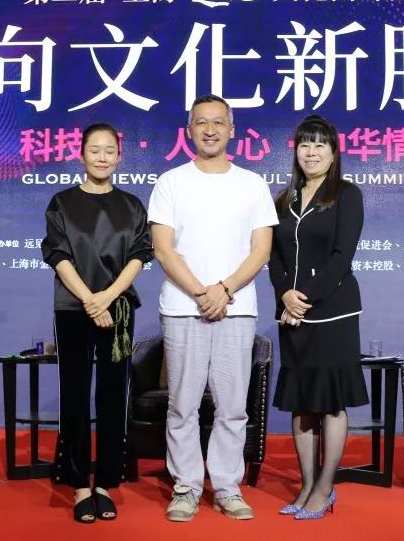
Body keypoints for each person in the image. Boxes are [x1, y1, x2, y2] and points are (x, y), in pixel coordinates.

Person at [148, 94, 279, 522]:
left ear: (231, 130)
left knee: (233, 406)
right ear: (189, 130)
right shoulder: (171, 182)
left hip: (236, 309)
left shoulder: (252, 184)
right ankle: (186, 487)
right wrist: (201, 293)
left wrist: (223, 290)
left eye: (218, 122)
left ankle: (226, 487)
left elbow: (261, 251)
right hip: (182, 308)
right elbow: (163, 250)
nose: (210, 129)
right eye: (201, 122)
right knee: (182, 405)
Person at [41, 122, 154, 523]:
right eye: (94, 150)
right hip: (73, 309)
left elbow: (140, 254)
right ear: (81, 155)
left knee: (112, 394)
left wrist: (107, 297)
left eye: (109, 150)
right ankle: (78, 484)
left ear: (119, 157)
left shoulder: (132, 205)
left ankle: (105, 482)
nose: (102, 157)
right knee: (74, 394)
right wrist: (90, 300)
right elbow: (57, 255)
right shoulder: (62, 202)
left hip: (117, 309)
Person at [268, 114, 368, 520]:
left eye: (319, 144)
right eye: (305, 144)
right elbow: (273, 258)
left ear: (333, 152)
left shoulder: (346, 194)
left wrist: (304, 298)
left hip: (332, 313)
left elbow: (342, 256)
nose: (311, 152)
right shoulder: (283, 200)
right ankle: (306, 485)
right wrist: (285, 295)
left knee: (330, 403)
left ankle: (325, 489)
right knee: (301, 404)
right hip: (292, 315)